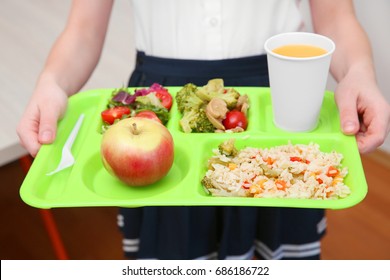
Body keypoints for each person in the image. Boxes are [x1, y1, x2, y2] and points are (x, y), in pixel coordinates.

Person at [17, 0, 390, 259]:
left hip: (277, 97)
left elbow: (337, 17)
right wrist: (52, 83)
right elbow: (83, 30)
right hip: (159, 104)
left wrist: (359, 72)